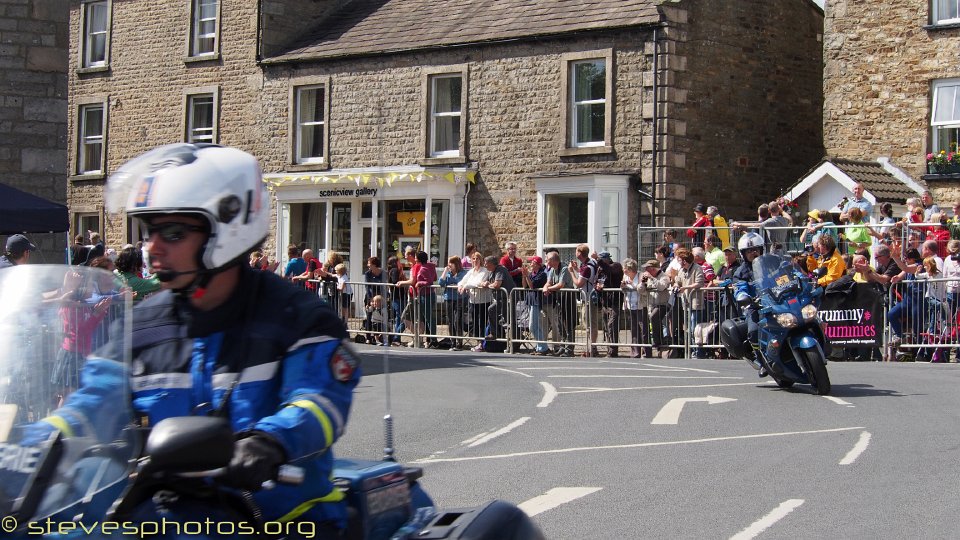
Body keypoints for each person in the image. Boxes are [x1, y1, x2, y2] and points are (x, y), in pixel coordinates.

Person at [33, 144, 359, 537]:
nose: (152, 247)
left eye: (172, 232)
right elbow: (89, 408)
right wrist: (32, 446)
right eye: (149, 231)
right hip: (168, 516)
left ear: (228, 224)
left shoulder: (297, 317)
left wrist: (268, 443)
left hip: (282, 519)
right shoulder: (142, 326)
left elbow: (319, 402)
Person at [731, 232, 767, 376]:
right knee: (753, 332)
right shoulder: (741, 272)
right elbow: (739, 287)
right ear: (743, 254)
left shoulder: (771, 264)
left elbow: (788, 273)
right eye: (749, 251)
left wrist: (798, 278)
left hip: (777, 301)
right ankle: (762, 361)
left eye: (756, 249)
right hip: (755, 306)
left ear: (761, 250)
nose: (753, 253)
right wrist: (742, 295)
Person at [542, 250, 575, 357]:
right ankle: (562, 347)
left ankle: (569, 349)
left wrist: (548, 289)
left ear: (553, 260)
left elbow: (561, 284)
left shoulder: (564, 269)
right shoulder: (552, 269)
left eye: (547, 260)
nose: (546, 262)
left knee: (568, 324)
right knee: (560, 324)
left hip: (568, 298)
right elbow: (549, 281)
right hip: (559, 299)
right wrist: (546, 287)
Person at [569, 244, 600, 357]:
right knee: (589, 323)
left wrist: (572, 272)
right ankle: (591, 347)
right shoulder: (588, 263)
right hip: (587, 297)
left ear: (579, 253)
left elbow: (579, 283)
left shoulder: (587, 267)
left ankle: (592, 348)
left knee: (590, 324)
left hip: (589, 298)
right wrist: (577, 269)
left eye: (576, 251)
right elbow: (585, 275)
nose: (575, 253)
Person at [458, 251, 492, 352]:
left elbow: (477, 283)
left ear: (480, 260)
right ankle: (478, 342)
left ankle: (482, 343)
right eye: (473, 259)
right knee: (475, 323)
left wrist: (466, 286)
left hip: (483, 301)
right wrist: (461, 285)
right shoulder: (471, 271)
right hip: (473, 300)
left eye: (477, 258)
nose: (475, 260)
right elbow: (463, 280)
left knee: (482, 322)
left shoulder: (484, 271)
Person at [595, 251, 623, 357]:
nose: (599, 263)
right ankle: (609, 349)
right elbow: (595, 281)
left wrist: (599, 262)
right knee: (607, 327)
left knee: (612, 325)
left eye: (601, 260)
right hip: (605, 302)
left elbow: (610, 270)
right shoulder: (600, 269)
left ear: (607, 259)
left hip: (614, 301)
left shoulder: (616, 266)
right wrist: (597, 287)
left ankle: (613, 350)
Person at [520, 255, 550, 354]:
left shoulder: (542, 274)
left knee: (533, 325)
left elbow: (532, 286)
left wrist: (527, 276)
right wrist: (524, 276)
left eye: (532, 262)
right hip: (530, 300)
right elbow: (525, 286)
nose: (531, 264)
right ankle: (540, 346)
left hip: (537, 301)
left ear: (538, 264)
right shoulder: (532, 274)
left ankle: (543, 347)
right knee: (535, 325)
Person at [439, 256, 468, 350]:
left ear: (456, 264)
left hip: (460, 299)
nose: (449, 265)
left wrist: (455, 284)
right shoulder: (448, 273)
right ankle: (453, 342)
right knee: (450, 321)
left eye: (450, 263)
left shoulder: (463, 273)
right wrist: (444, 272)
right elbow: (441, 283)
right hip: (449, 298)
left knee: (457, 320)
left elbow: (461, 282)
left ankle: (459, 342)